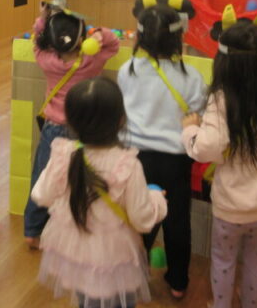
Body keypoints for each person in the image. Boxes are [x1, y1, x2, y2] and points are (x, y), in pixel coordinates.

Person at [180, 10, 257, 308]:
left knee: (223, 260)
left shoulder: (220, 100)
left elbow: (205, 149)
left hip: (230, 207)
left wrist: (190, 129)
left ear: (223, 61)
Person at [32, 77, 168, 308]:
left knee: (86, 298)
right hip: (115, 257)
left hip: (78, 252)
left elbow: (41, 195)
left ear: (70, 121)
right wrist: (156, 199)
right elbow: (142, 219)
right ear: (121, 119)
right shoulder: (127, 165)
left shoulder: (64, 155)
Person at [117, 0, 206, 300]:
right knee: (177, 222)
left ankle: (131, 276)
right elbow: (196, 117)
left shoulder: (127, 71)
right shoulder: (192, 78)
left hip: (135, 158)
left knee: (137, 219)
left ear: (140, 37)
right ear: (178, 38)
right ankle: (178, 282)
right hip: (176, 160)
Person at [24, 1, 120, 248]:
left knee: (43, 177)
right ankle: (76, 228)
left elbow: (36, 40)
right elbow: (113, 43)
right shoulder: (92, 61)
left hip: (53, 130)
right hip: (84, 131)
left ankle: (32, 231)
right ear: (81, 40)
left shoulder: (46, 60)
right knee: (80, 181)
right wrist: (98, 35)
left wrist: (42, 18)